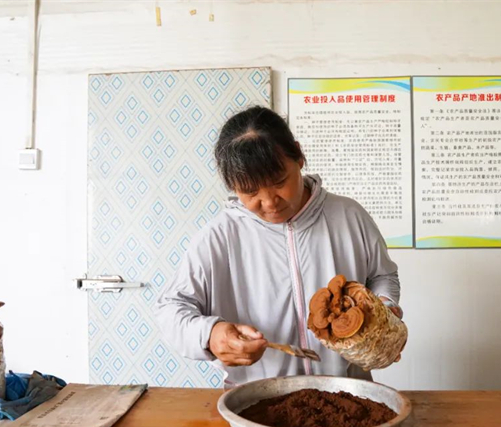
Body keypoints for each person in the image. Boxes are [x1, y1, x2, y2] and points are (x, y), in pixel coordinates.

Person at [155, 106, 402, 387]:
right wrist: (209, 334)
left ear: (298, 155)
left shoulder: (348, 215)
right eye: (250, 192)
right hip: (259, 399)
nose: (270, 202)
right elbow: (171, 309)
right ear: (232, 186)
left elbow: (383, 276)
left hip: (348, 391)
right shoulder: (219, 236)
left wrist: (384, 309)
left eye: (279, 182)